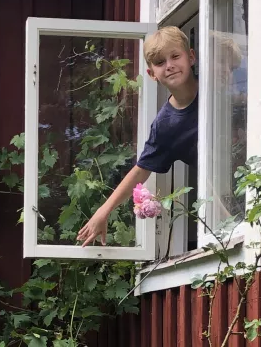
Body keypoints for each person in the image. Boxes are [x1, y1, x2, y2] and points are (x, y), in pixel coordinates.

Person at [76, 26, 199, 247]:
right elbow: (141, 169)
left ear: (191, 57)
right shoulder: (165, 126)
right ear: (152, 75)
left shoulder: (215, 85)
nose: (169, 66)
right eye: (160, 63)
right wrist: (104, 211)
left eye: (175, 56)